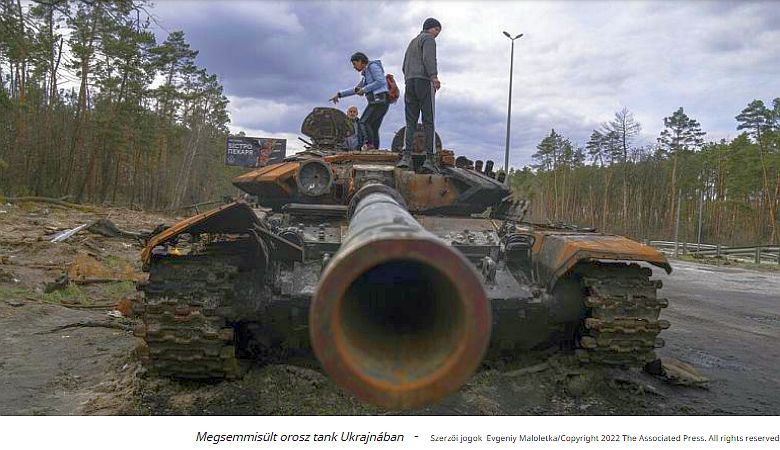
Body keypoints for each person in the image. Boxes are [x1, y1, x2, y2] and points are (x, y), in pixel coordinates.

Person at [397, 17, 442, 174]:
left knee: (410, 122)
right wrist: (434, 77)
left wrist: (409, 77)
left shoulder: (412, 42)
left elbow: (404, 66)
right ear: (431, 28)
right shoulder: (429, 39)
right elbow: (429, 58)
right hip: (424, 81)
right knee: (428, 120)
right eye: (437, 30)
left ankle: (406, 157)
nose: (437, 34)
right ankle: (430, 159)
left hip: (409, 82)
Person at [330, 52, 389, 150]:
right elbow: (356, 89)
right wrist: (339, 95)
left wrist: (364, 89)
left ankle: (369, 144)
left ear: (361, 61)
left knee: (363, 122)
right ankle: (374, 149)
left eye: (354, 64)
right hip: (379, 101)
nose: (354, 67)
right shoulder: (366, 76)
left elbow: (381, 81)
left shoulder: (373, 66)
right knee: (373, 127)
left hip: (379, 100)